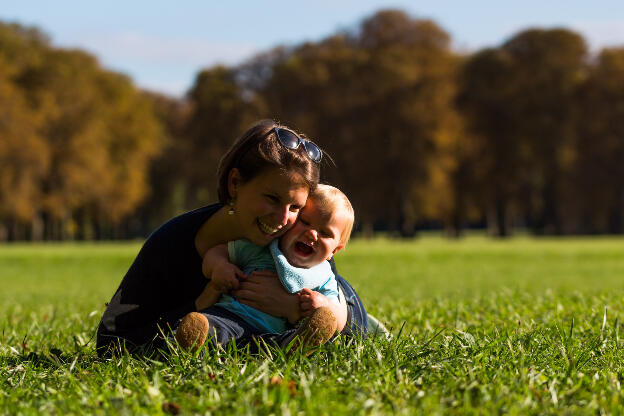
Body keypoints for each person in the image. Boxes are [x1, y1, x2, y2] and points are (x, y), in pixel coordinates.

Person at [96, 120, 368, 357]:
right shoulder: (170, 244)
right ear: (234, 184)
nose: (283, 219)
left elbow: (349, 332)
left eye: (295, 207)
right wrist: (200, 304)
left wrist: (293, 308)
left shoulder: (301, 237)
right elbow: (111, 342)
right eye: (272, 199)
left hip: (334, 303)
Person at [175, 184, 355, 352]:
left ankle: (297, 346)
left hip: (273, 333)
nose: (312, 234)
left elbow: (338, 320)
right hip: (230, 316)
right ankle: (194, 337)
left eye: (325, 233)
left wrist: (323, 307)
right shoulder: (263, 248)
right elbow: (216, 252)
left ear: (335, 250)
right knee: (212, 327)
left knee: (281, 342)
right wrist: (219, 266)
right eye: (305, 222)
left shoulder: (323, 276)